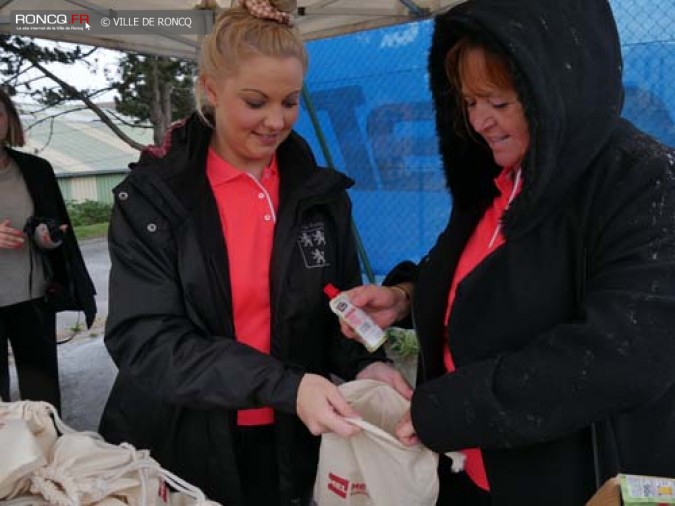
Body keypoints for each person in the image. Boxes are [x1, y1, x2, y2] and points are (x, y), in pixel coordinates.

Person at [339, 0, 675, 504]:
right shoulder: (503, 178)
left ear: (557, 91)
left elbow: (621, 355)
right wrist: (405, 297)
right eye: (469, 102)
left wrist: (453, 409)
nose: (479, 122)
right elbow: (469, 271)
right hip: (473, 470)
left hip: (576, 481)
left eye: (498, 102)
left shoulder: (642, 183)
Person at [97, 1, 410, 505]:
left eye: (289, 102)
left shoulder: (320, 194)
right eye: (255, 101)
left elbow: (336, 305)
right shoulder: (155, 199)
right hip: (183, 435)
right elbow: (147, 340)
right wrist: (284, 385)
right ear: (211, 89)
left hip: (292, 432)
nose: (275, 121)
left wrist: (361, 364)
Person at [0, 88, 97, 413]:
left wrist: (48, 236)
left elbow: (49, 228)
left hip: (33, 298)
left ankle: (48, 455)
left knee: (43, 401)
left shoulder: (34, 168)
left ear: (9, 120)